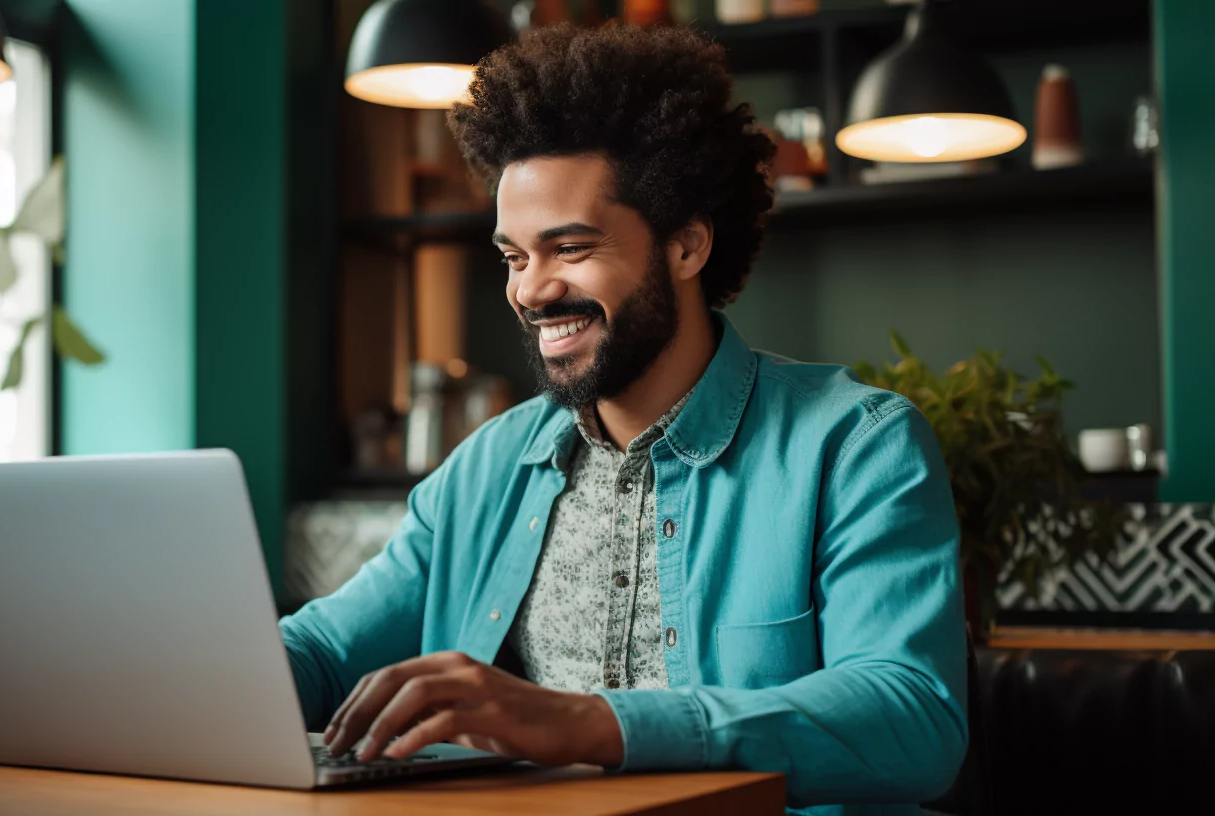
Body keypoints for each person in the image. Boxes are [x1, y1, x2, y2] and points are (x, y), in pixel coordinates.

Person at [281, 23, 967, 813]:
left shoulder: (854, 446)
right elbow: (326, 654)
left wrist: (586, 724)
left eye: (569, 247)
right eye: (514, 256)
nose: (531, 291)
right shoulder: (487, 467)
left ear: (686, 245)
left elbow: (914, 716)